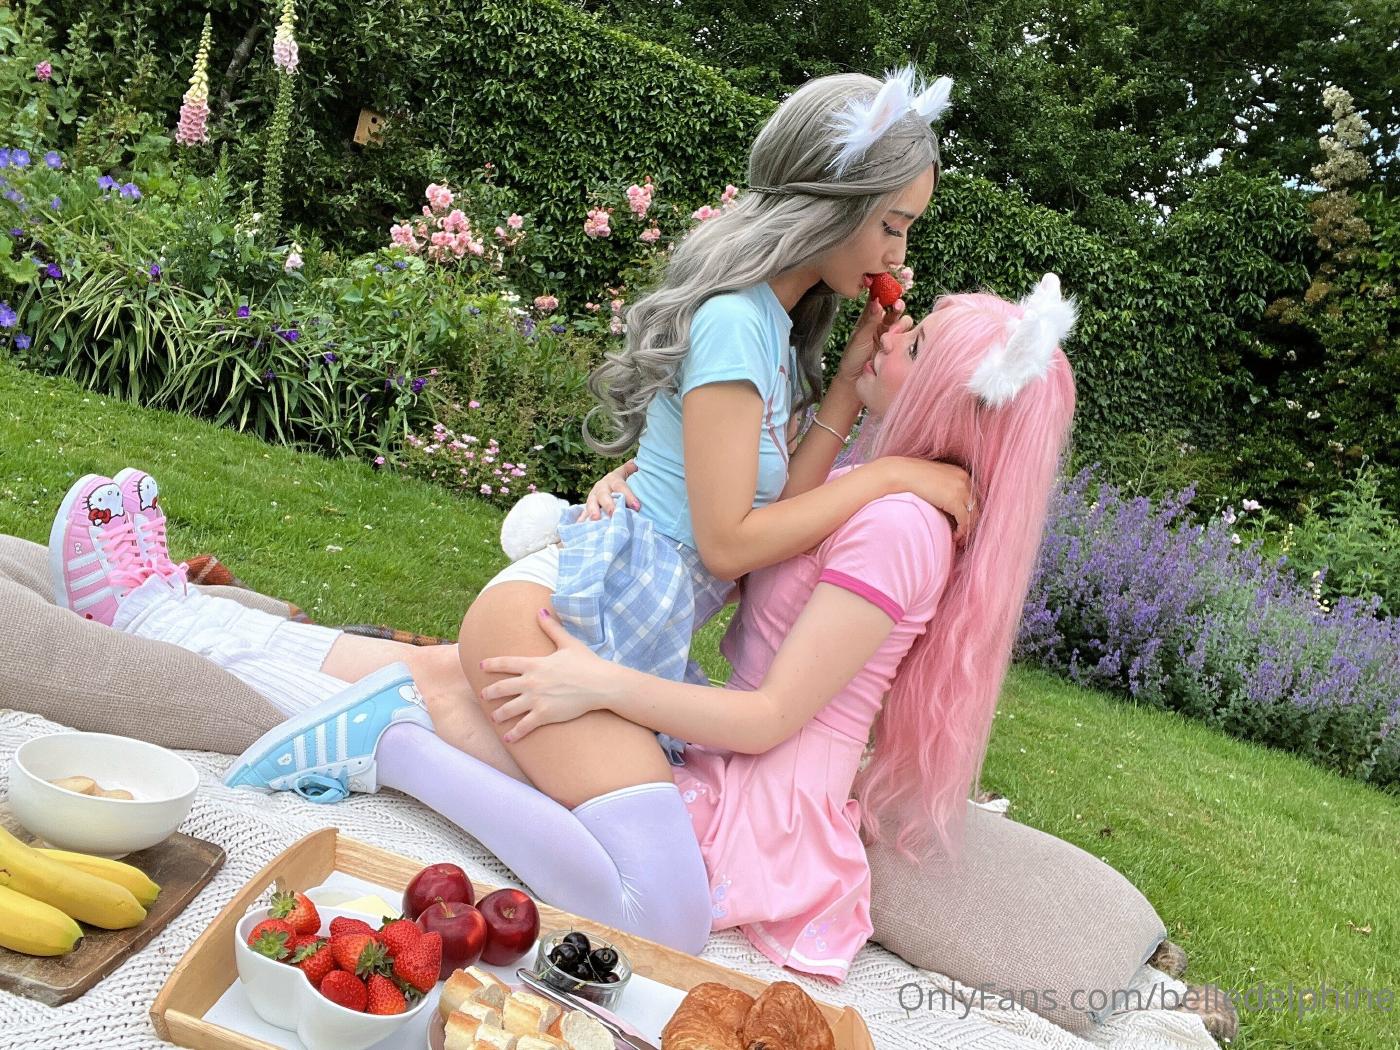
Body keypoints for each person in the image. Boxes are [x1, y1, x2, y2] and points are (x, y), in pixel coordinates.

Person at [468, 278, 1078, 977]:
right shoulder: (877, 490)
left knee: (546, 768)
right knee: (522, 717)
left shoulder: (902, 527)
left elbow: (769, 718)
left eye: (915, 347)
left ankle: (401, 742)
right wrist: (632, 483)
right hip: (730, 755)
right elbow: (748, 537)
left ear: (945, 399)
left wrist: (601, 684)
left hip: (765, 809)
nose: (891, 336)